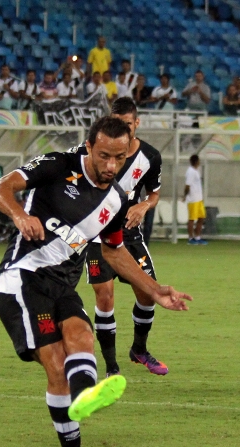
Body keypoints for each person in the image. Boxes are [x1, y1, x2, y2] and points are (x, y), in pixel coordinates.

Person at [0, 116, 191, 447]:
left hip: (64, 285)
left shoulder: (118, 199)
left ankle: (84, 399)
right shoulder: (57, 166)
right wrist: (19, 214)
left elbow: (114, 251)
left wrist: (155, 289)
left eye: (119, 157)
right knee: (56, 365)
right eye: (103, 156)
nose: (111, 166)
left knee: (82, 337)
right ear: (89, 147)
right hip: (22, 278)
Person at [81, 98, 166, 377]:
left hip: (129, 236)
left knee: (149, 293)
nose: (123, 131)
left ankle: (139, 350)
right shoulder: (99, 152)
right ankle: (111, 368)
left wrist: (144, 205)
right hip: (96, 236)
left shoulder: (150, 157)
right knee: (104, 296)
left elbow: (154, 192)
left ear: (136, 123)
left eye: (128, 125)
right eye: (118, 124)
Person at [182, 154, 206, 244]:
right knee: (192, 219)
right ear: (196, 161)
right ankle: (190, 238)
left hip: (199, 199)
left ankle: (197, 237)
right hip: (193, 199)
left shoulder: (196, 171)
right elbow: (187, 185)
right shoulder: (190, 171)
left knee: (201, 218)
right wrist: (185, 195)